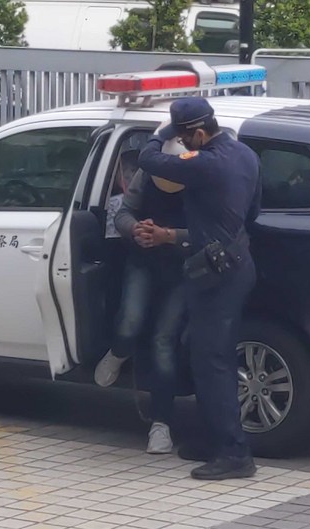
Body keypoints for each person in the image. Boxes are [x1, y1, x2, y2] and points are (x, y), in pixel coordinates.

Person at [138, 97, 262, 481]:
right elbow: (252, 213)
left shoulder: (205, 163)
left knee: (213, 361)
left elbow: (148, 159)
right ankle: (215, 440)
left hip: (216, 275)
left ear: (197, 132)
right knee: (204, 355)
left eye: (183, 137)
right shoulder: (245, 155)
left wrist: (159, 133)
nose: (182, 144)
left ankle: (234, 454)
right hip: (236, 263)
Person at [94, 149, 191, 455]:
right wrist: (135, 229)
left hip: (183, 270)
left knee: (164, 341)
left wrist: (169, 235)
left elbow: (210, 232)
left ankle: (161, 424)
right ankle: (118, 352)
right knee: (129, 322)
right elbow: (123, 213)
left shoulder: (204, 180)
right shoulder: (145, 173)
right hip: (142, 261)